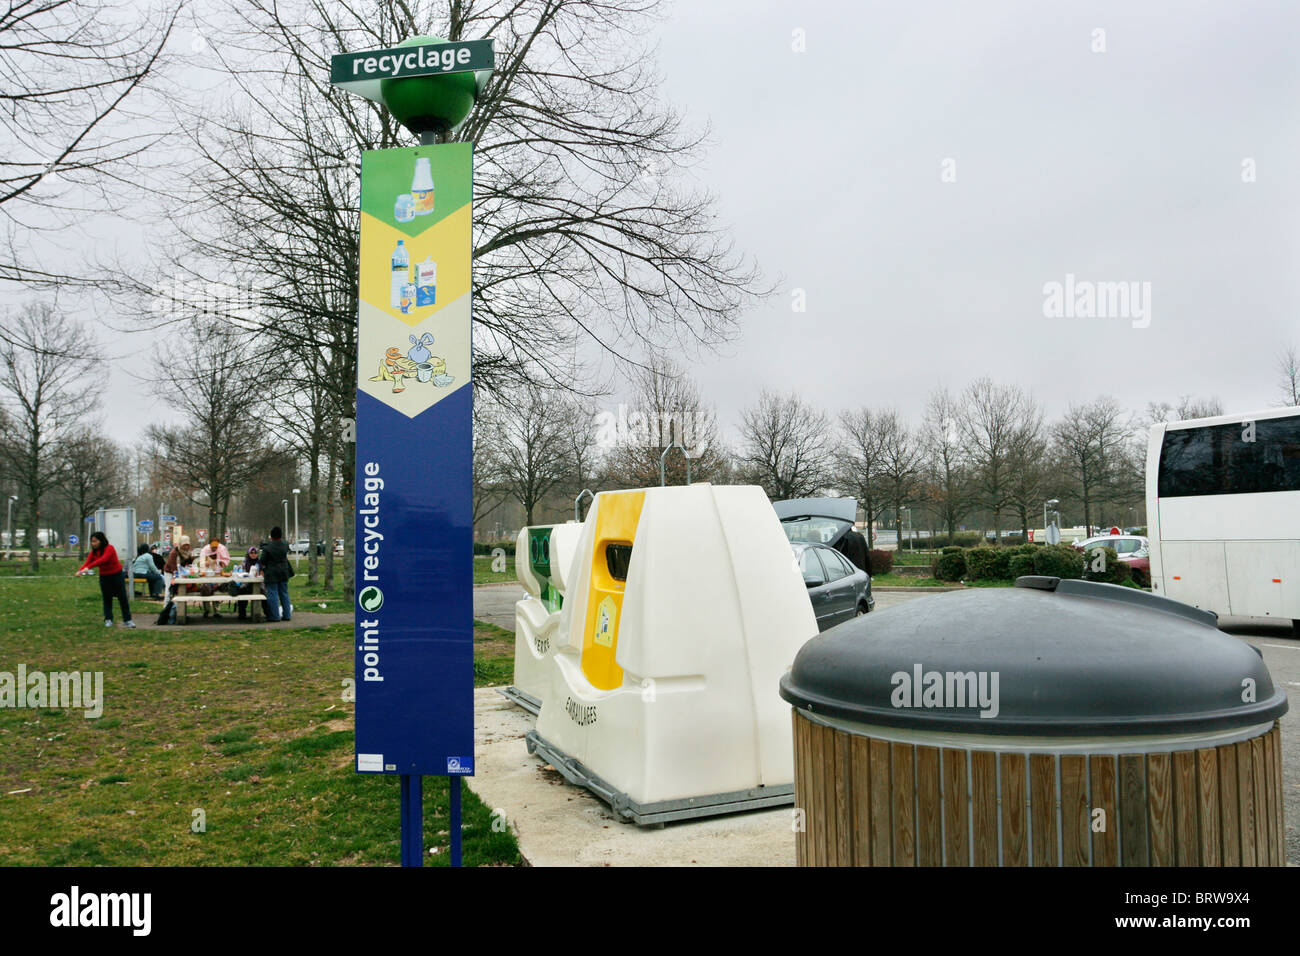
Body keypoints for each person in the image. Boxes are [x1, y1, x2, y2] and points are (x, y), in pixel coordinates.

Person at [76, 532, 134, 628]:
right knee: (107, 598)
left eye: (95, 541)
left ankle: (128, 620)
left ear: (101, 540)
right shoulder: (93, 553)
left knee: (122, 597)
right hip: (104, 576)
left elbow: (103, 560)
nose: (93, 544)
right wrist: (80, 571)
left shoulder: (109, 548)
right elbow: (87, 563)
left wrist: (89, 567)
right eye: (92, 542)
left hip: (117, 575)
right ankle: (108, 619)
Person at [260, 526, 293, 622]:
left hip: (272, 572)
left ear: (271, 536)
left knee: (272, 593)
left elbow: (263, 560)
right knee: (284, 593)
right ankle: (287, 615)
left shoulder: (267, 547)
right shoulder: (285, 544)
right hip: (284, 571)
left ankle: (275, 616)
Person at [231, 546, 261, 621]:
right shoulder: (244, 562)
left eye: (255, 553)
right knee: (242, 591)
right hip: (246, 584)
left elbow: (262, 574)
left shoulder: (260, 562)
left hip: (258, 585)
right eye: (251, 553)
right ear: (248, 554)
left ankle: (259, 615)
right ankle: (242, 614)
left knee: (262, 594)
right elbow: (240, 572)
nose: (253, 554)